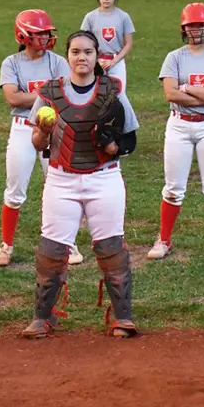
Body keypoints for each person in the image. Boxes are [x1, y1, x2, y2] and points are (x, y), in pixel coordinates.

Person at [22, 31, 140, 339]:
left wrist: (114, 146)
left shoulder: (112, 90)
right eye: (75, 52)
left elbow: (130, 138)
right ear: (67, 56)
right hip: (61, 179)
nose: (82, 57)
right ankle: (42, 317)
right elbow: (37, 143)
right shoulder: (49, 93)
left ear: (96, 55)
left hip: (104, 177)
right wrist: (43, 131)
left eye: (88, 52)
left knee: (111, 247)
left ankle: (122, 317)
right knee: (51, 249)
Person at [0, 10, 83, 267]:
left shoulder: (57, 61)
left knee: (58, 187)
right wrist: (47, 93)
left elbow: (67, 94)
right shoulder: (11, 62)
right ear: (23, 35)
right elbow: (12, 98)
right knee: (15, 191)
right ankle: (6, 246)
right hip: (22, 128)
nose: (45, 38)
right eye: (39, 33)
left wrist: (32, 96)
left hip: (55, 130)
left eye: (47, 33)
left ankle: (66, 243)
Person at [148, 2, 204, 260]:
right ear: (184, 29)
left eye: (201, 25)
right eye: (191, 25)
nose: (196, 30)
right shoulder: (174, 57)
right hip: (179, 124)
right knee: (173, 187)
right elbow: (170, 94)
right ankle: (164, 239)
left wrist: (187, 88)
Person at [79, 0, 135, 91]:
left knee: (119, 94)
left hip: (116, 62)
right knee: (94, 93)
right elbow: (83, 41)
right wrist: (96, 59)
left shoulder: (123, 17)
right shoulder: (90, 17)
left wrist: (114, 61)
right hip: (95, 62)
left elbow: (128, 43)